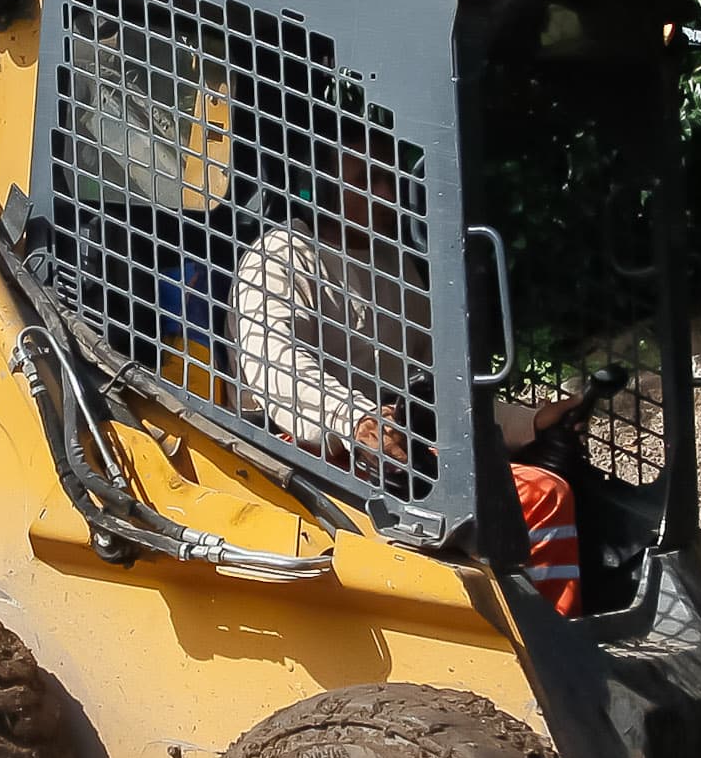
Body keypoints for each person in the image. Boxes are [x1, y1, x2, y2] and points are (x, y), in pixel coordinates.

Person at [227, 131, 587, 617]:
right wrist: (356, 419)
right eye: (365, 179)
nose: (385, 193)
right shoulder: (280, 259)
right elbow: (277, 366)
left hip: (399, 444)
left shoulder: (395, 262)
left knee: (560, 476)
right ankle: (551, 643)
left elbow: (437, 388)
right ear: (323, 184)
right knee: (540, 498)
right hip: (316, 453)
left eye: (390, 177)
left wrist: (530, 424)